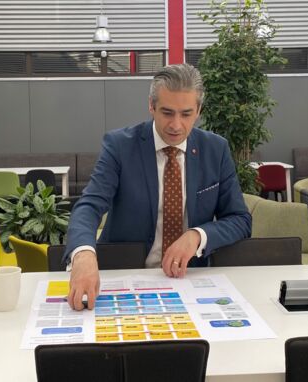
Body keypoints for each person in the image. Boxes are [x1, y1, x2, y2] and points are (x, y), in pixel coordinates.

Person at [64, 63, 251, 310]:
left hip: (189, 280)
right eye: (167, 112)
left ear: (198, 111)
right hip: (125, 275)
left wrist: (198, 235)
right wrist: (84, 254)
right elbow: (88, 206)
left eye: (186, 114)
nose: (175, 125)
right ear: (151, 107)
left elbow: (240, 220)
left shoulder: (215, 150)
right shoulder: (120, 146)